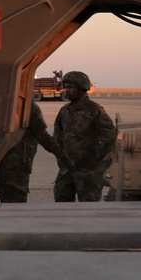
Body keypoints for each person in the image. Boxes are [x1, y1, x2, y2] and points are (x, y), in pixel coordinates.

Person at [0, 101, 73, 203]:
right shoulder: (23, 106)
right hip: (6, 168)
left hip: (11, 167)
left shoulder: (26, 107)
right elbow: (43, 137)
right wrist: (62, 155)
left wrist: (61, 155)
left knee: (14, 205)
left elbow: (43, 137)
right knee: (14, 207)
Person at [52, 70, 117, 202]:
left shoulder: (95, 110)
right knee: (61, 202)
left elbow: (109, 137)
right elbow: (58, 135)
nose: (67, 91)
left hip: (88, 171)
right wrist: (61, 157)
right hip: (67, 169)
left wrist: (95, 161)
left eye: (70, 87)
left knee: (88, 205)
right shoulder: (65, 110)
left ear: (81, 88)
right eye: (66, 87)